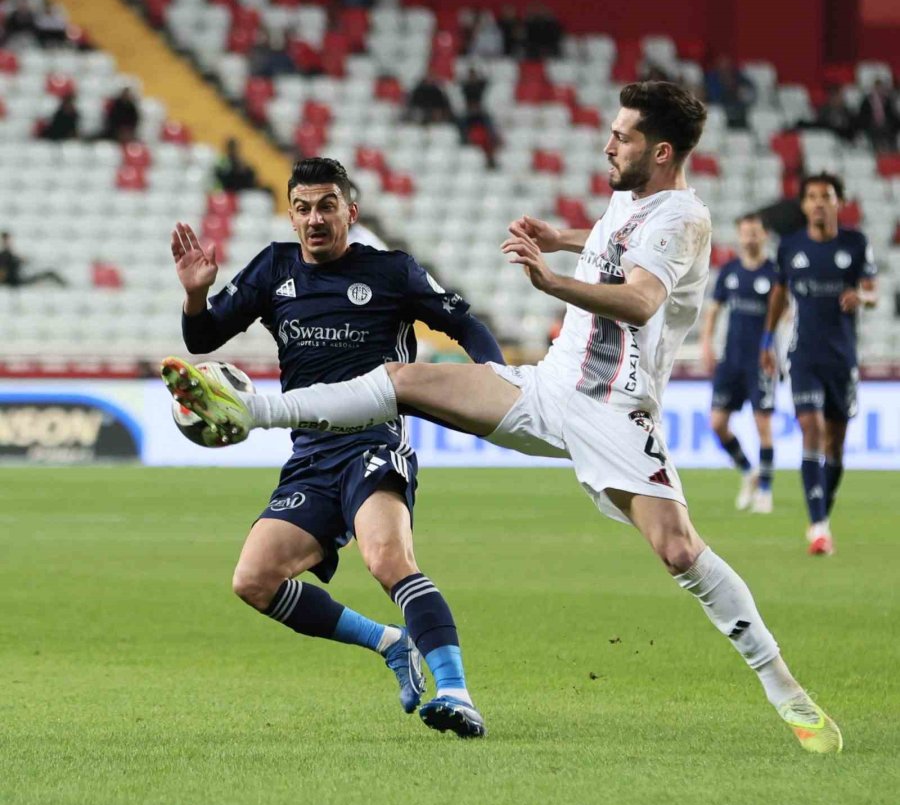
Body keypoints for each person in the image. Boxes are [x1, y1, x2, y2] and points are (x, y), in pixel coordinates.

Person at [163, 83, 844, 754]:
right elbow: (616, 242)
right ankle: (254, 411)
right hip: (548, 388)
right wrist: (565, 238)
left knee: (680, 552)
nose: (608, 144)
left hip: (613, 412)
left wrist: (549, 279)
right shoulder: (633, 204)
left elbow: (638, 301)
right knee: (402, 380)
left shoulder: (683, 219)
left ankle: (783, 686)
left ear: (661, 151)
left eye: (623, 136)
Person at [161, 158, 504, 738]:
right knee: (253, 580)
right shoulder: (274, 268)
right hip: (310, 457)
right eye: (302, 208)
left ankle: (456, 691)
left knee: (387, 561)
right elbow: (204, 338)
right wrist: (197, 297)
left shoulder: (392, 271)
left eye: (326, 206)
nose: (314, 219)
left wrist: (498, 381)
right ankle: (392, 645)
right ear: (291, 214)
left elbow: (464, 324)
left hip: (374, 442)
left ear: (351, 210)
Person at [760, 172, 878, 556]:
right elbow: (778, 295)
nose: (819, 203)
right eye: (812, 196)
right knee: (810, 427)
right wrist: (767, 340)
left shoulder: (855, 244)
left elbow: (873, 293)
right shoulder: (790, 247)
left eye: (826, 196)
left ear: (838, 203)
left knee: (836, 445)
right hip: (803, 355)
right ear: (805, 205)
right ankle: (818, 526)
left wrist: (861, 296)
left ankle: (821, 516)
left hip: (842, 359)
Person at [700, 214, 779, 513]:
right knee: (717, 424)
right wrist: (707, 343)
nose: (750, 238)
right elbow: (714, 309)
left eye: (755, 233)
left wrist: (773, 346)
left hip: (760, 361)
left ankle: (765, 492)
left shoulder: (774, 273)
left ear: (764, 236)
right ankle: (749, 472)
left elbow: (785, 311)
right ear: (739, 236)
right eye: (745, 233)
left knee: (764, 427)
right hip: (731, 360)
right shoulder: (730, 272)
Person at [0, 231, 66, 287]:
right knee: (49, 275)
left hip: (20, 280)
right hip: (15, 283)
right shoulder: (4, 255)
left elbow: (24, 263)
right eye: (6, 240)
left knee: (49, 274)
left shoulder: (12, 254)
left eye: (9, 240)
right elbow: (3, 275)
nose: (9, 242)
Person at [856, 79, 899, 153]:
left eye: (881, 87)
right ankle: (876, 152)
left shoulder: (887, 100)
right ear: (873, 88)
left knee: (892, 133)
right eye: (877, 87)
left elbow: (892, 114)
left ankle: (893, 153)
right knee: (874, 135)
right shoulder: (867, 100)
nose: (879, 89)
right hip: (871, 126)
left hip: (886, 125)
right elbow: (862, 115)